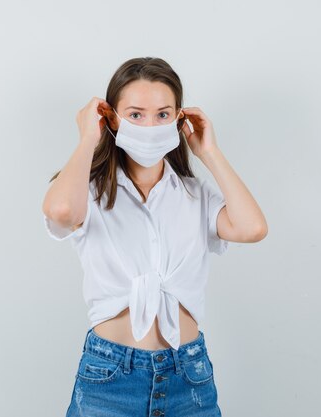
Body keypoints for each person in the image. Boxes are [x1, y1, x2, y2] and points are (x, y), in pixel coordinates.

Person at [42, 57, 268, 417]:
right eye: (136, 114)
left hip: (188, 377)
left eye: (163, 114)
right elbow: (60, 212)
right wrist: (88, 138)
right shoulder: (88, 192)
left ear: (180, 119)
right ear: (111, 118)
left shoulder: (196, 195)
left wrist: (209, 152)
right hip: (110, 378)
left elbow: (252, 228)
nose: (150, 125)